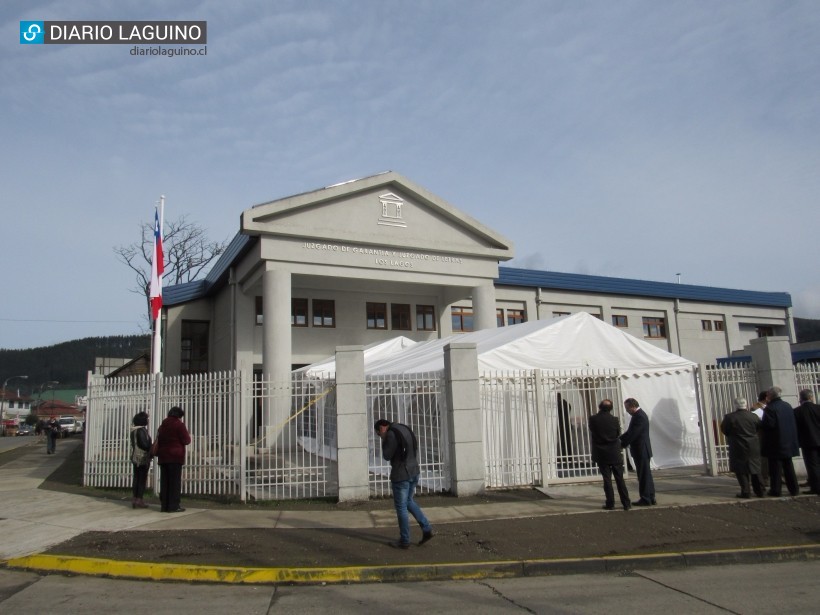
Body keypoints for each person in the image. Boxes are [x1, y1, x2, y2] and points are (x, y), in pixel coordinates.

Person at [374, 418, 434, 548]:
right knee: (408, 501)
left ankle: (404, 540)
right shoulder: (403, 427)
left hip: (401, 475)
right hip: (414, 471)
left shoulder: (390, 434)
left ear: (381, 428)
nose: (380, 436)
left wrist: (384, 439)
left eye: (379, 434)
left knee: (401, 507)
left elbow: (386, 455)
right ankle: (427, 528)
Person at [588, 399, 631, 510]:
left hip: (601, 452)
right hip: (614, 452)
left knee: (607, 479)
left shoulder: (593, 419)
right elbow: (617, 433)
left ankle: (610, 503)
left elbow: (593, 431)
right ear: (611, 408)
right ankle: (626, 503)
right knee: (619, 478)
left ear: (599, 406)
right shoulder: (614, 420)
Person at [720, 398, 764, 498]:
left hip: (737, 445)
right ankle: (760, 490)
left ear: (735, 405)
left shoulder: (730, 417)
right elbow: (758, 427)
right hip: (753, 444)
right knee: (755, 468)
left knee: (741, 469)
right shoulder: (754, 416)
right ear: (746, 404)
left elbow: (725, 430)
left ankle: (746, 491)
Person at [761, 386, 800, 497]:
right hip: (788, 441)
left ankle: (776, 490)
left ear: (770, 396)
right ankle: (794, 489)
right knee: (789, 467)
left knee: (775, 469)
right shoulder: (787, 406)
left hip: (775, 443)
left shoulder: (770, 408)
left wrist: (761, 424)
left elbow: (769, 425)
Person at [620, 398, 656, 506]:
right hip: (642, 449)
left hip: (641, 450)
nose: (626, 410)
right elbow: (630, 432)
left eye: (627, 408)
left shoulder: (639, 417)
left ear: (632, 406)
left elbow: (633, 434)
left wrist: (621, 443)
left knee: (643, 475)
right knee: (646, 474)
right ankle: (650, 496)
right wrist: (620, 439)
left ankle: (646, 498)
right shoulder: (639, 415)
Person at [155, 406, 191, 513]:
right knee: (174, 482)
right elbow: (186, 440)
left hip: (163, 457)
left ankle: (164, 505)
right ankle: (174, 505)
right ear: (179, 415)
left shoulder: (162, 426)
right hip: (175, 457)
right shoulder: (179, 425)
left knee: (165, 482)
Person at [794, 389, 820, 496]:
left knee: (812, 466)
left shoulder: (797, 411)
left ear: (801, 399)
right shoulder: (818, 408)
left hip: (807, 442)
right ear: (811, 397)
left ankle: (816, 487)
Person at [129, 411, 153, 509]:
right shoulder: (141, 431)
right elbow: (144, 444)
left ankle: (135, 498)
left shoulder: (134, 430)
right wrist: (151, 447)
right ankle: (139, 499)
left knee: (136, 478)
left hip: (135, 456)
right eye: (146, 419)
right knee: (142, 479)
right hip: (142, 457)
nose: (147, 420)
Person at [751, 391, 770, 490]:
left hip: (770, 436)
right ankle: (764, 478)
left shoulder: (770, 407)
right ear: (766, 397)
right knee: (763, 459)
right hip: (761, 436)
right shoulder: (755, 408)